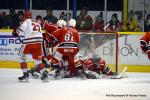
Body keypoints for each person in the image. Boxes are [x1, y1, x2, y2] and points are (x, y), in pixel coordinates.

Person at [12, 10, 48, 82]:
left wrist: (15, 32)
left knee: (21, 56)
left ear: (25, 15)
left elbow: (19, 31)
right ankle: (44, 74)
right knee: (38, 60)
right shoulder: (36, 22)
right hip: (39, 42)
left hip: (30, 42)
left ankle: (25, 74)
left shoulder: (26, 21)